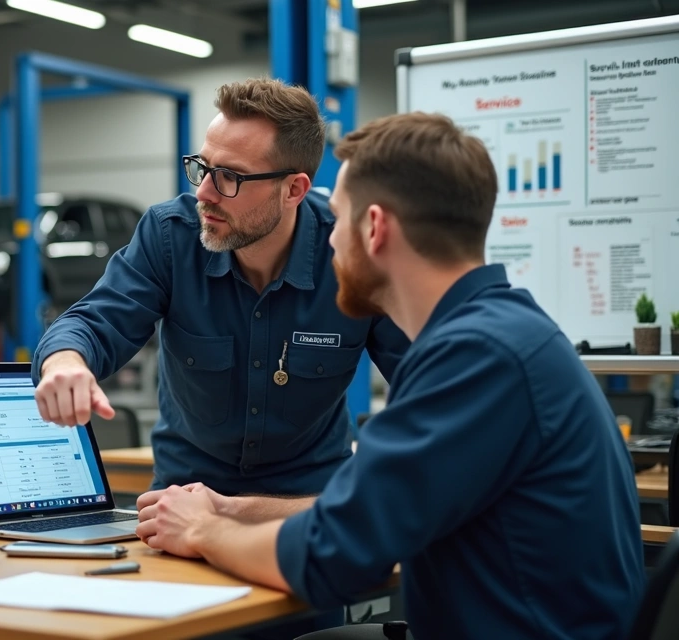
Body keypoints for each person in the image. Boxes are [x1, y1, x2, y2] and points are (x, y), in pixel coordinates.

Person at [134, 112, 646, 639]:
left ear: (375, 229)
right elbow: (357, 509)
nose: (328, 243)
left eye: (336, 220)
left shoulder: (474, 361)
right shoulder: (501, 333)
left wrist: (203, 528)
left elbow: (331, 557)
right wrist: (231, 507)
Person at [33, 78, 409, 506]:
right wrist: (66, 361)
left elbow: (425, 379)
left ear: (294, 190)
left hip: (305, 512)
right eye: (203, 167)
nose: (204, 193)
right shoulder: (170, 237)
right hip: (184, 502)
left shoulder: (352, 254)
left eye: (230, 177)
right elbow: (96, 320)